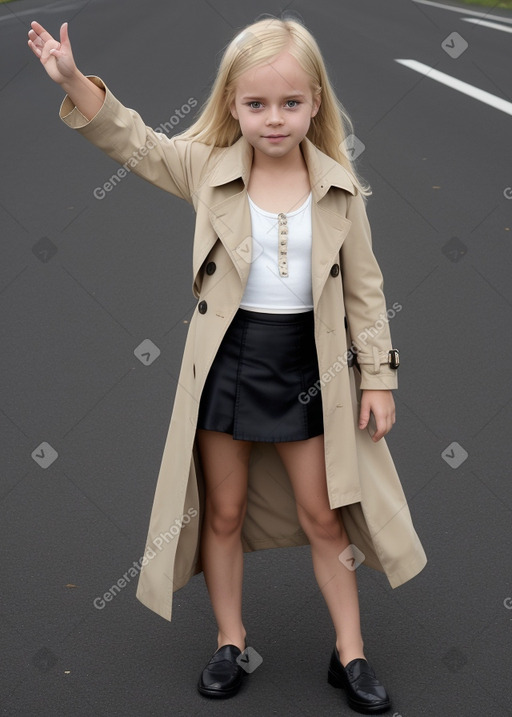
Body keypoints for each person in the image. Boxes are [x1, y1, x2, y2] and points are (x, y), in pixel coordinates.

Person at [28, 15, 426, 714]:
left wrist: (380, 380)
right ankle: (230, 639)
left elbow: (367, 291)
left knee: (326, 513)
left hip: (310, 372)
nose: (274, 119)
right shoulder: (210, 167)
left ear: (316, 104)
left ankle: (351, 652)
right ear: (233, 104)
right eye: (257, 104)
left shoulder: (338, 188)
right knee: (224, 510)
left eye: (291, 103)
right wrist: (72, 82)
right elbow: (135, 140)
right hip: (227, 363)